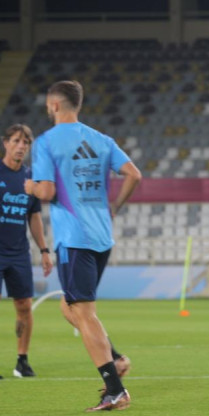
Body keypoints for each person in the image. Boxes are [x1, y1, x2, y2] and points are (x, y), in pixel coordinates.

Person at [25, 80, 141, 411]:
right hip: (102, 237)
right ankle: (115, 358)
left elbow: (46, 192)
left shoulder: (47, 142)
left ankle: (115, 389)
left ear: (54, 105)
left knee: (84, 312)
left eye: (48, 105)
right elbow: (134, 174)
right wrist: (115, 207)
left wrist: (31, 186)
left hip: (74, 238)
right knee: (68, 306)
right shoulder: (102, 140)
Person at [0, 124, 53, 380]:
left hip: (18, 253)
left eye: (26, 142)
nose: (21, 146)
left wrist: (44, 250)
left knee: (24, 306)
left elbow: (34, 217)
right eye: (17, 141)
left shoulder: (30, 180)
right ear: (5, 143)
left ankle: (22, 360)